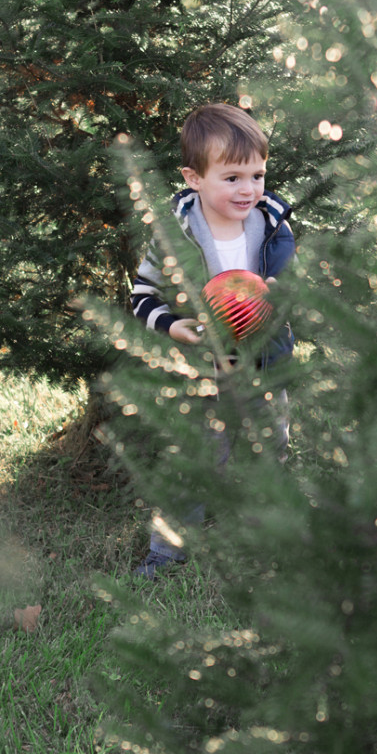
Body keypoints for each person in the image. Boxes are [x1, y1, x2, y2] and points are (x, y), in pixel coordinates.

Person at [130, 102, 296, 579]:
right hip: (203, 370)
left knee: (272, 446)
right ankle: (167, 551)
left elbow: (296, 289)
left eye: (258, 175)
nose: (249, 189)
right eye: (232, 178)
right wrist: (171, 326)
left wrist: (281, 299)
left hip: (264, 362)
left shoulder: (273, 228)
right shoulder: (175, 235)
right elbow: (143, 293)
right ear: (194, 178)